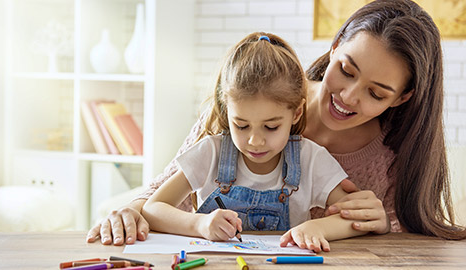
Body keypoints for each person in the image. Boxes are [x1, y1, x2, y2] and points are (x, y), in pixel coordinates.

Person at [87, 0, 466, 246]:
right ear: (334, 49)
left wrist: (381, 223)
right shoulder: (256, 96)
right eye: (346, 70)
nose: (349, 96)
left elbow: (401, 241)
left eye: (376, 93)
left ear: (402, 98)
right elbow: (162, 194)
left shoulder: (392, 155)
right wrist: (132, 210)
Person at [142, 32, 366, 252]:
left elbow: (354, 218)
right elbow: (153, 208)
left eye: (271, 127)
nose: (255, 141)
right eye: (241, 125)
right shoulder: (211, 152)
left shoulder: (311, 159)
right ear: (227, 111)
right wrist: (199, 224)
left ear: (296, 113)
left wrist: (318, 227)